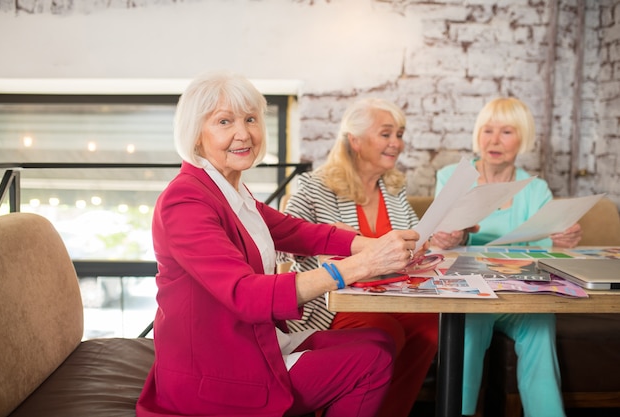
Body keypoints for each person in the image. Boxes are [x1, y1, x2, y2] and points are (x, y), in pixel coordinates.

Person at [136, 71, 426, 417]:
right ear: (195, 135)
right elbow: (246, 295)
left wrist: (370, 245)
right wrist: (363, 265)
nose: (243, 133)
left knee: (382, 339)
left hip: (249, 345)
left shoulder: (230, 192)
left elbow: (303, 233)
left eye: (251, 119)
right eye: (224, 121)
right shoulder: (185, 200)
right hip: (216, 373)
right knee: (371, 361)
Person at [279, 98, 439, 417]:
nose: (397, 143)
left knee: (429, 326)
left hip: (389, 296)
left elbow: (412, 242)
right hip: (333, 300)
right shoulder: (313, 186)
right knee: (385, 331)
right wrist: (321, 236)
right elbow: (281, 247)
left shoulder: (394, 190)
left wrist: (427, 246)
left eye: (400, 134)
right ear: (355, 140)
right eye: (386, 134)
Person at [432, 97, 582, 417]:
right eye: (487, 131)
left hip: (521, 293)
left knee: (542, 325)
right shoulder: (451, 178)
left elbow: (547, 247)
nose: (494, 140)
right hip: (468, 291)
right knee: (466, 331)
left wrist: (563, 240)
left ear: (522, 139)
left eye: (506, 132)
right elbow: (437, 239)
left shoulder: (536, 188)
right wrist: (448, 236)